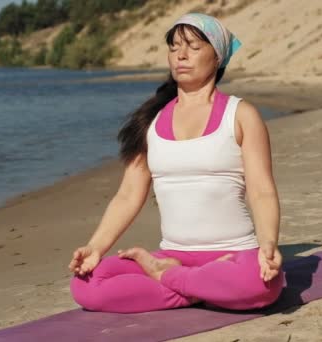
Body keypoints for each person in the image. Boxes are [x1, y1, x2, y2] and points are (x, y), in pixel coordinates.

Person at [68, 13, 284, 313]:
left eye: (193, 47)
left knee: (261, 286)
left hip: (234, 253)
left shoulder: (241, 115)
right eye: (174, 47)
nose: (180, 55)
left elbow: (261, 191)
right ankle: (192, 283)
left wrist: (269, 243)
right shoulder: (151, 121)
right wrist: (95, 248)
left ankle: (168, 278)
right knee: (86, 284)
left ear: (217, 56)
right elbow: (128, 195)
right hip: (175, 254)